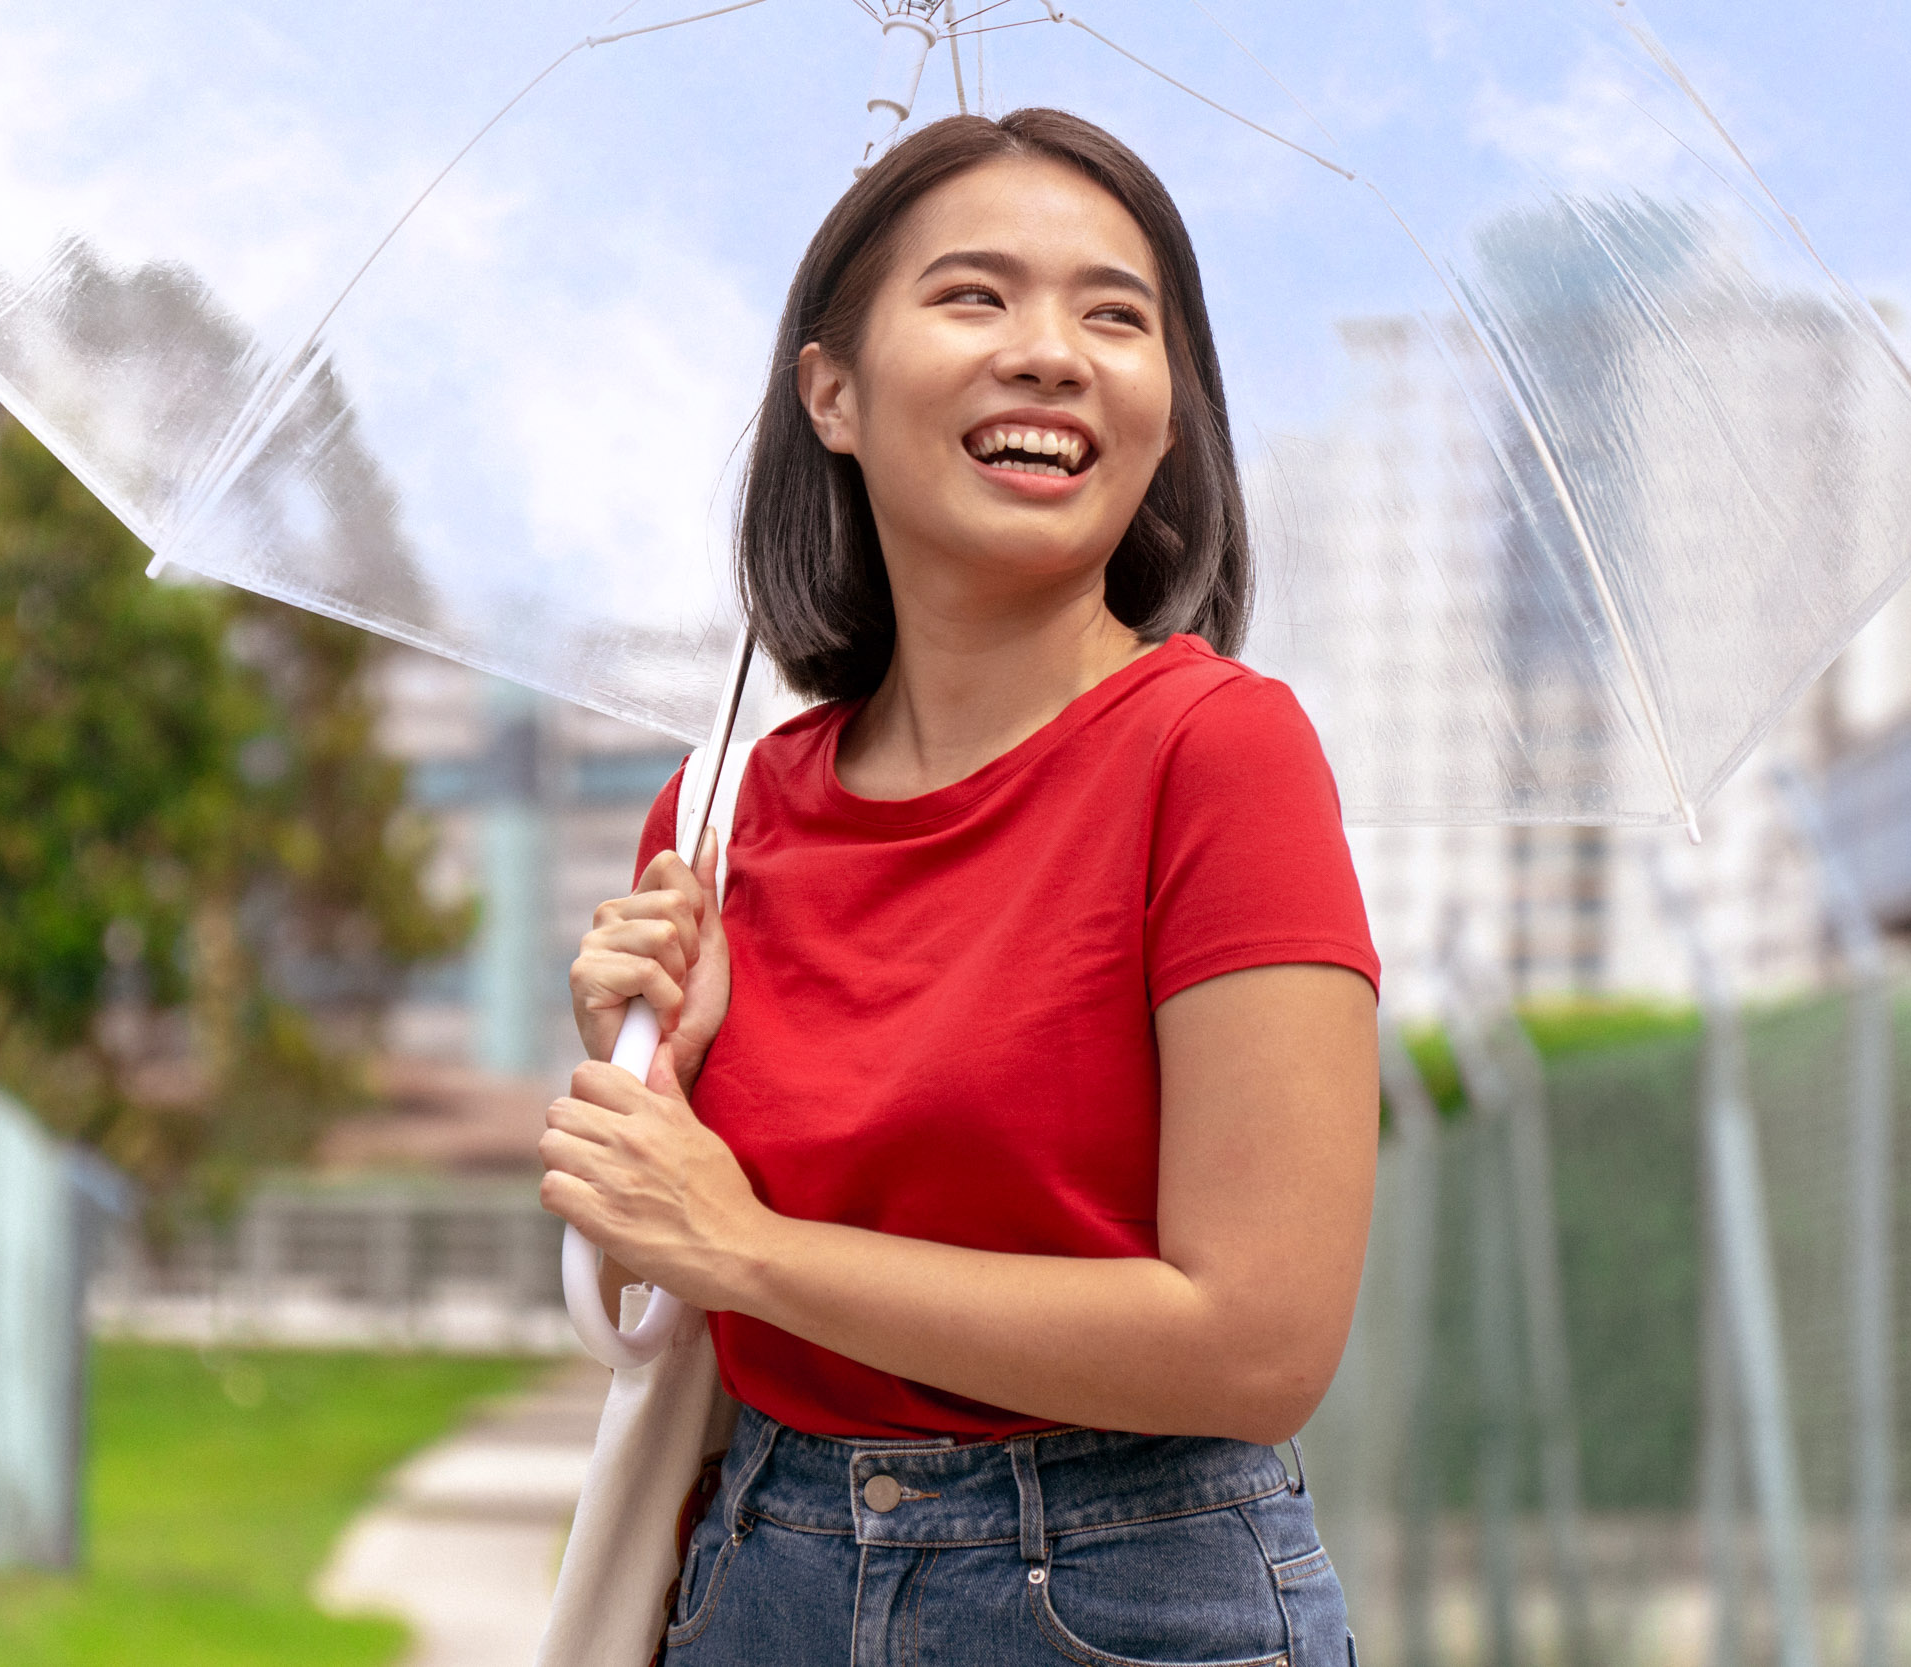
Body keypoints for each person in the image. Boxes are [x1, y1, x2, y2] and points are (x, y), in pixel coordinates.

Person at [541, 107, 1378, 1667]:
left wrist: (747, 1245)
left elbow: (1259, 1342)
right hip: (756, 1577)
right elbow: (657, 1282)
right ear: (832, 393)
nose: (1053, 352)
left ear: (1168, 410)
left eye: (1116, 316)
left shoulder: (1218, 753)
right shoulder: (715, 819)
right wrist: (658, 1069)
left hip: (1128, 1594)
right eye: (976, 296)